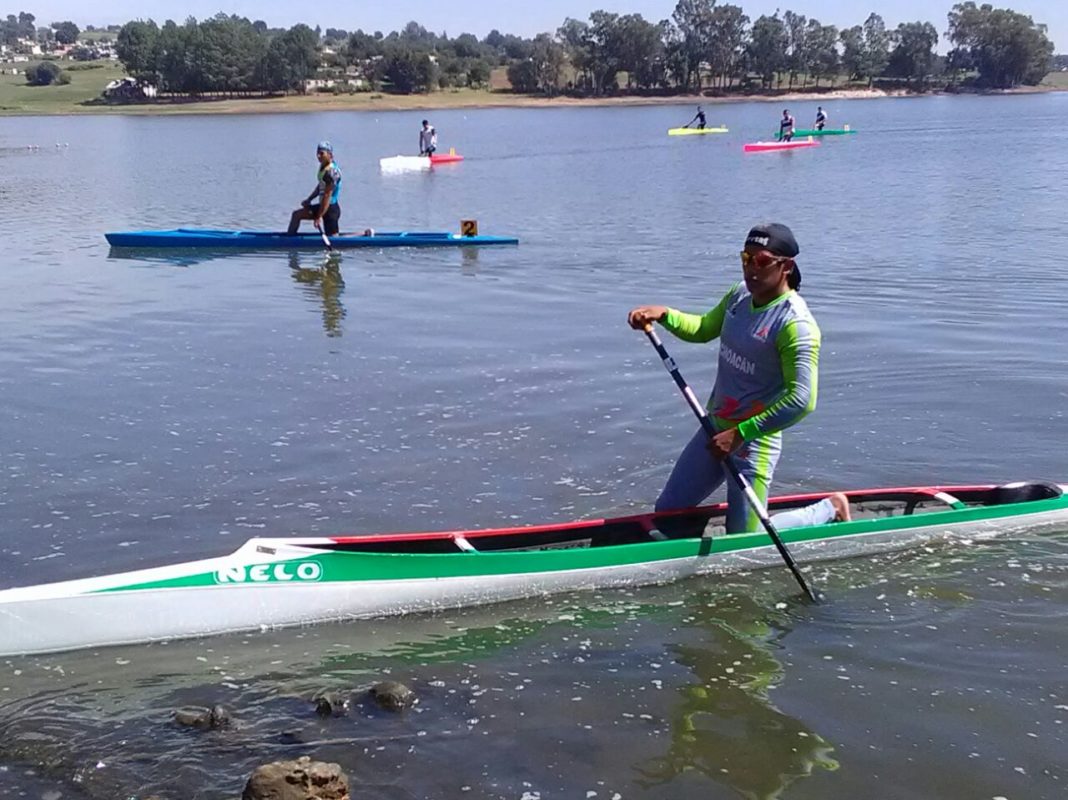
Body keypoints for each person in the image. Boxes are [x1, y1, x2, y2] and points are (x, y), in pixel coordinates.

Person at [628, 222, 830, 534]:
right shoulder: (738, 296)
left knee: (745, 540)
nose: (751, 269)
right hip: (714, 429)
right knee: (667, 512)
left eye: (761, 261)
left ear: (786, 267)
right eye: (746, 259)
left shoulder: (795, 324)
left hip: (754, 441)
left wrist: (740, 434)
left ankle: (829, 509)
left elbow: (803, 400)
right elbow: (704, 328)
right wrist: (664, 314)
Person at [288, 141, 342, 238]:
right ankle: (288, 240)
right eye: (317, 153)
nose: (318, 156)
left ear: (330, 154)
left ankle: (363, 234)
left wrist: (319, 217)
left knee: (334, 239)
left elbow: (327, 196)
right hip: (323, 206)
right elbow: (320, 186)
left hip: (330, 210)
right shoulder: (323, 166)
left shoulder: (331, 172)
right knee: (296, 215)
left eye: (322, 153)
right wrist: (309, 199)